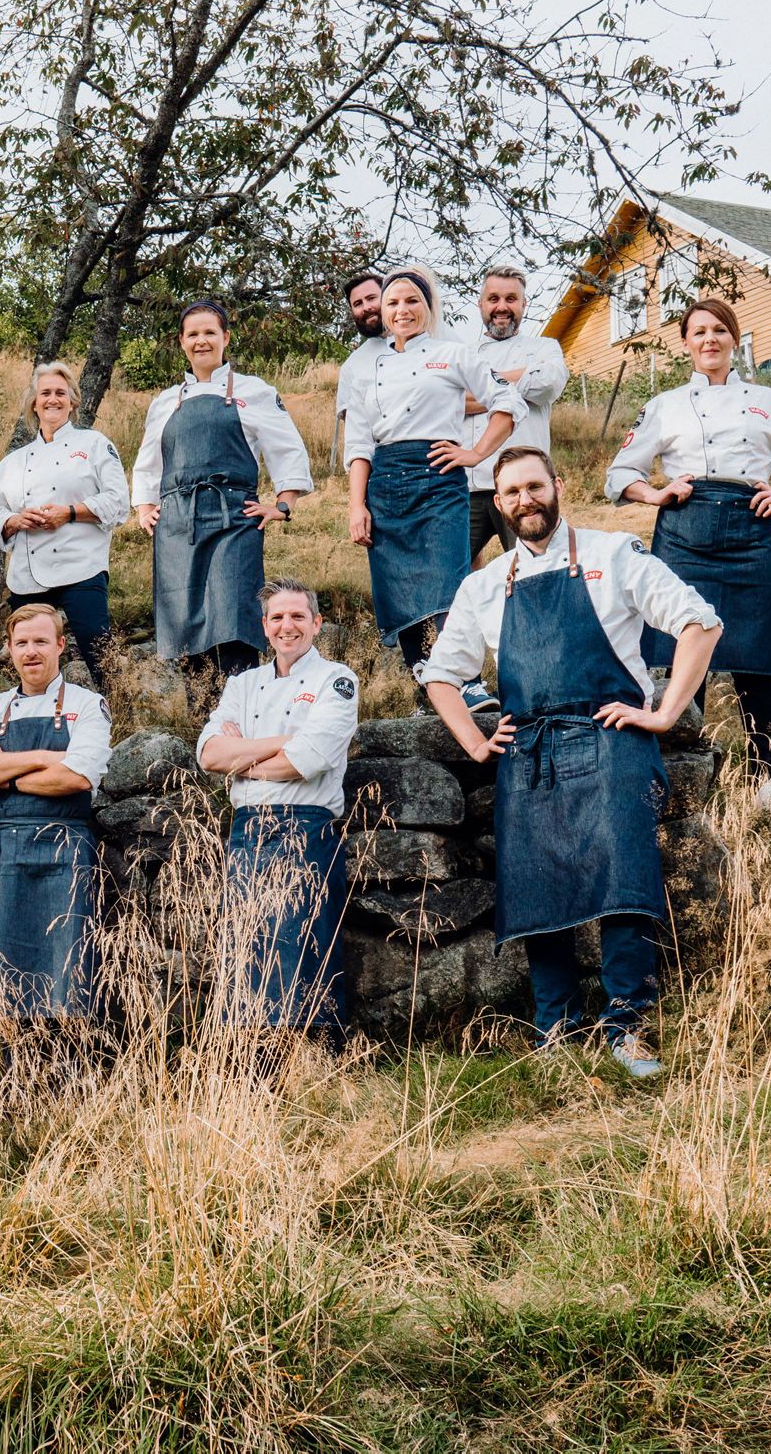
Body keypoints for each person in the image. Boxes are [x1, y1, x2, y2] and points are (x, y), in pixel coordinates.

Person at [419, 448, 721, 1079]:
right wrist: (476, 744)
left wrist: (663, 714)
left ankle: (626, 1026)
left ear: (558, 485)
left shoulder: (615, 555)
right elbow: (441, 677)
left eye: (535, 485)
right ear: (498, 505)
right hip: (528, 751)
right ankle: (555, 1025)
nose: (525, 499)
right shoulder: (482, 585)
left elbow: (700, 622)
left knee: (623, 878)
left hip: (610, 736)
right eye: (512, 493)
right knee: (534, 883)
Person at [606, 297, 771, 808]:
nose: (709, 339)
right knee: (679, 651)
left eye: (718, 330)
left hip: (749, 528)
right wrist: (656, 493)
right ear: (685, 343)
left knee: (753, 654)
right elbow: (621, 474)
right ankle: (683, 766)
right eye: (698, 332)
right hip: (682, 530)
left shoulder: (768, 401)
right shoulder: (663, 405)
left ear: (734, 338)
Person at [344, 266, 526, 710]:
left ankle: (465, 682)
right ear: (383, 313)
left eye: (412, 301)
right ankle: (426, 686)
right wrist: (356, 505)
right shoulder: (368, 368)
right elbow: (359, 443)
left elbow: (508, 400)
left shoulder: (452, 354)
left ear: (428, 307)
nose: (402, 310)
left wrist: (475, 453)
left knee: (448, 581)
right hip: (384, 485)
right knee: (396, 587)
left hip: (438, 478)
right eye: (393, 302)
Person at [132, 299, 315, 718]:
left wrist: (282, 506)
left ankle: (241, 716)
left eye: (210, 332)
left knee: (234, 619)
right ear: (182, 342)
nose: (201, 341)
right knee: (187, 621)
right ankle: (203, 722)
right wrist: (145, 509)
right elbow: (147, 463)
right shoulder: (165, 401)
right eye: (193, 334)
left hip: (235, 516)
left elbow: (287, 450)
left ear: (225, 338)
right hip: (178, 523)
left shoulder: (254, 391)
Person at [197, 579, 358, 1037]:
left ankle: (312, 1057)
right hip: (246, 831)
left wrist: (242, 759)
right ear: (264, 627)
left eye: (298, 616)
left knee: (304, 943)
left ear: (317, 623)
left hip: (305, 829)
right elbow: (209, 755)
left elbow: (306, 761)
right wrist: (281, 744)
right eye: (277, 618)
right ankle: (251, 1057)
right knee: (247, 946)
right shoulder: (242, 683)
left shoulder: (337, 679)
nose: (288, 626)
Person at [0, 605, 112, 1021]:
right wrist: (45, 757)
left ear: (60, 645)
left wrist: (4, 773)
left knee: (67, 983)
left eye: (41, 641)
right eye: (21, 643)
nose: (31, 651)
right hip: (4, 852)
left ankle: (67, 1073)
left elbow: (76, 777)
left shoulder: (88, 704)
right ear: (9, 649)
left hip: (65, 850)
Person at [0, 363, 131, 687]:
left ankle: (120, 716)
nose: (53, 399)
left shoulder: (94, 445)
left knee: (97, 647)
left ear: (73, 402)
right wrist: (14, 520)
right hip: (28, 573)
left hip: (82, 566)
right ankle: (35, 713)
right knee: (29, 651)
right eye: (45, 393)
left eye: (60, 393)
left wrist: (69, 512)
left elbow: (119, 502)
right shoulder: (13, 462)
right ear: (34, 403)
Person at [463, 265, 570, 563]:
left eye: (511, 299)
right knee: (453, 576)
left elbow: (548, 383)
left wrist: (480, 388)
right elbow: (449, 401)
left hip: (525, 487)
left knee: (536, 568)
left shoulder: (544, 347)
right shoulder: (461, 354)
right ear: (481, 304)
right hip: (468, 489)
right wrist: (516, 386)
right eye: (493, 298)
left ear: (524, 304)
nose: (502, 307)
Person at [334, 271, 388, 466]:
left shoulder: (432, 342)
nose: (366, 307)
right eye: (358, 304)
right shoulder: (352, 366)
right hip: (380, 470)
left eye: (372, 298)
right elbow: (356, 432)